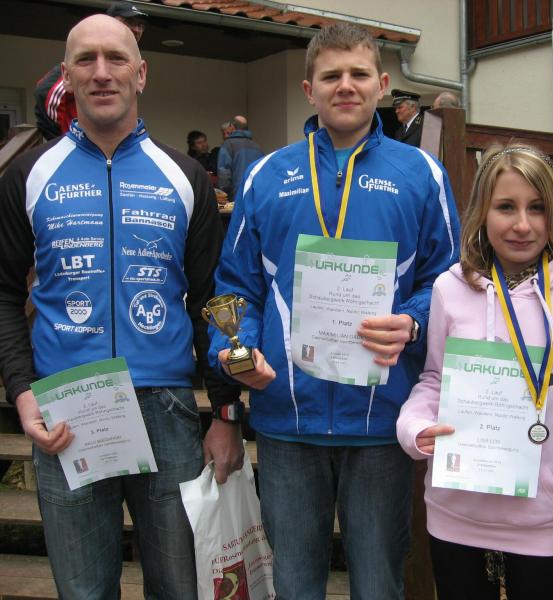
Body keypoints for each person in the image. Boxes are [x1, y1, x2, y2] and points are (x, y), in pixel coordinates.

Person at [208, 22, 460, 599]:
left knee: (378, 585)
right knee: (295, 585)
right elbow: (235, 286)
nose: (345, 86)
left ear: (382, 84)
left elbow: (449, 278)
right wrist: (238, 351)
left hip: (380, 420)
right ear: (309, 89)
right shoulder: (266, 175)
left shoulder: (420, 173)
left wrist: (413, 320)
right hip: (287, 419)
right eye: (331, 76)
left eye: (358, 74)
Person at [0, 14, 240, 599]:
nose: (102, 72)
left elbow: (211, 300)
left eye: (116, 58)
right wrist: (22, 390)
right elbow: (4, 292)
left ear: (142, 73)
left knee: (178, 588)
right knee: (84, 592)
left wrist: (226, 414)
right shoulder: (28, 174)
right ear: (67, 75)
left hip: (167, 407)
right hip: (66, 405)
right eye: (86, 59)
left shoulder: (185, 176)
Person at [397, 143, 553, 599]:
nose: (522, 224)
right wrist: (415, 428)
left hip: (542, 515)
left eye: (537, 208)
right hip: (457, 510)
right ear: (482, 213)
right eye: (506, 207)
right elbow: (433, 379)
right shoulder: (450, 287)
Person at [34, 1, 147, 141]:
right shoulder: (74, 71)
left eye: (140, 25)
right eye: (129, 22)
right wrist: (65, 139)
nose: (136, 29)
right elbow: (45, 93)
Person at [215, 115, 264, 200]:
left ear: (232, 127)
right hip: (255, 193)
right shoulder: (257, 147)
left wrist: (223, 194)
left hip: (236, 195)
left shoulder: (228, 145)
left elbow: (224, 173)